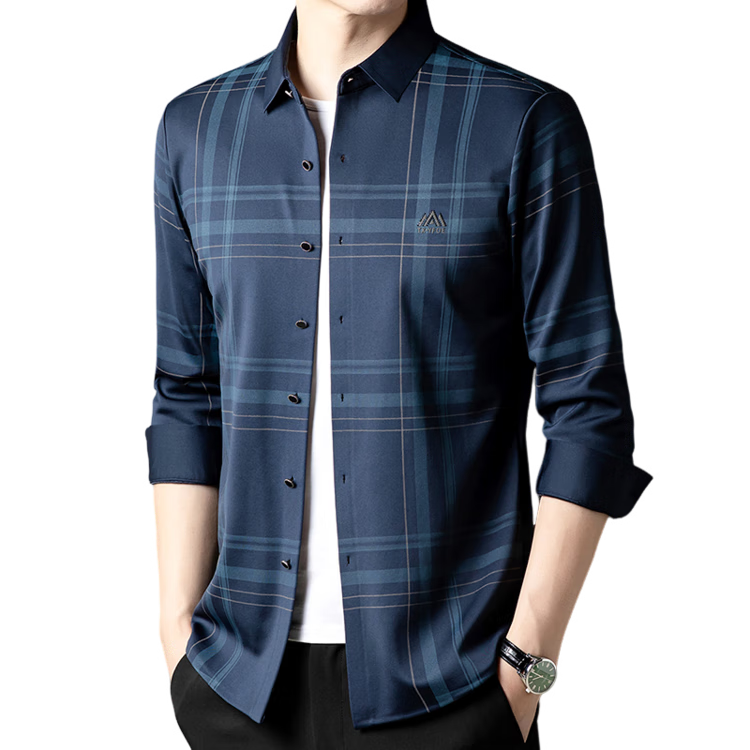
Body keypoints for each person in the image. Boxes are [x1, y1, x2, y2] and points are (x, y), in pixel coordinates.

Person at [146, 1, 656, 748]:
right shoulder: (195, 129)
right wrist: (175, 637)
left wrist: (529, 665)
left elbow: (589, 407)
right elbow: (186, 393)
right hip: (234, 687)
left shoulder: (519, 120)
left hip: (453, 687)